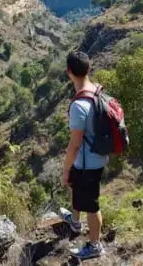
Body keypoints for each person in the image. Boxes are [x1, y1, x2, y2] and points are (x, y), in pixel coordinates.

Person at [61, 51, 108, 260]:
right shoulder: (97, 90)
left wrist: (65, 169)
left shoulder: (79, 106)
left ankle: (95, 246)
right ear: (89, 69)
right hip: (96, 157)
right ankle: (75, 222)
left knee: (92, 205)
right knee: (78, 189)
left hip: (88, 162)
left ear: (69, 72)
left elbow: (75, 144)